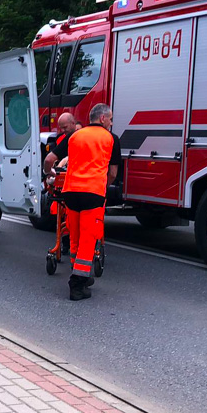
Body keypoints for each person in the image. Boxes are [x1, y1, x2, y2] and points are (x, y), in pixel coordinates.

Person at [43, 103, 120, 301]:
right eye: (110, 119)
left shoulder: (74, 136)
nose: (111, 123)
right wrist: (103, 185)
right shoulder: (111, 138)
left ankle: (81, 276)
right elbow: (112, 173)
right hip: (92, 193)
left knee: (75, 236)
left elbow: (49, 159)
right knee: (88, 239)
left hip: (70, 192)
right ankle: (77, 286)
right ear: (102, 119)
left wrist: (48, 173)